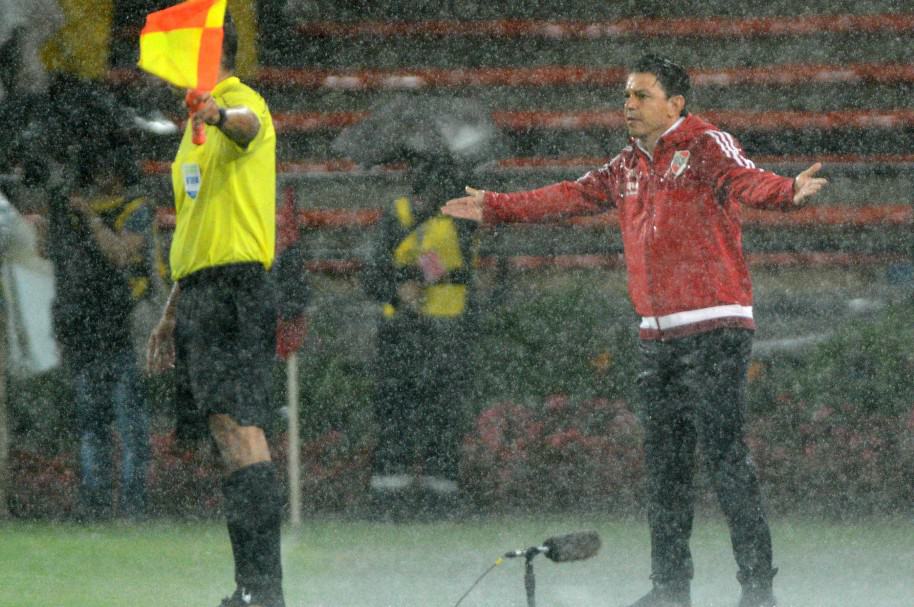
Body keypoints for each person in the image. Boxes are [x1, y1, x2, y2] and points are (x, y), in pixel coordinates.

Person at [442, 54, 827, 607]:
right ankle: (670, 588)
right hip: (657, 336)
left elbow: (746, 179)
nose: (629, 105)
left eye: (642, 95)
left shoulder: (705, 144)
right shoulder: (626, 164)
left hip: (716, 327)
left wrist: (787, 191)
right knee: (666, 470)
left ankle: (757, 589)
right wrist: (498, 207)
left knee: (725, 458)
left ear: (676, 104)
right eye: (626, 95)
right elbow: (571, 195)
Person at [145, 13, 285, 607]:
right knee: (226, 435)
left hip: (235, 289)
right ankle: (248, 589)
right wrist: (170, 314)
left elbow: (249, 127)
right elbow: (198, 229)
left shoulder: (239, 100)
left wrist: (219, 115)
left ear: (209, 53)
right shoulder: (190, 128)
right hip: (201, 292)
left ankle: (266, 590)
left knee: (243, 429)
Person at [41, 83, 151, 521]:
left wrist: (88, 216)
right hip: (84, 326)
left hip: (122, 326)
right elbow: (47, 250)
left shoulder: (134, 205)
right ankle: (93, 505)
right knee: (91, 426)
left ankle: (134, 508)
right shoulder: (70, 204)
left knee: (131, 426)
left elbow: (123, 254)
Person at [362, 155, 478, 516]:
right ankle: (389, 497)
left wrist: (434, 276)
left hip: (447, 331)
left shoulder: (463, 221)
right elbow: (371, 277)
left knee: (442, 414)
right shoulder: (396, 217)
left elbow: (472, 274)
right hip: (401, 330)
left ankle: (439, 496)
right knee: (395, 409)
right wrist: (401, 290)